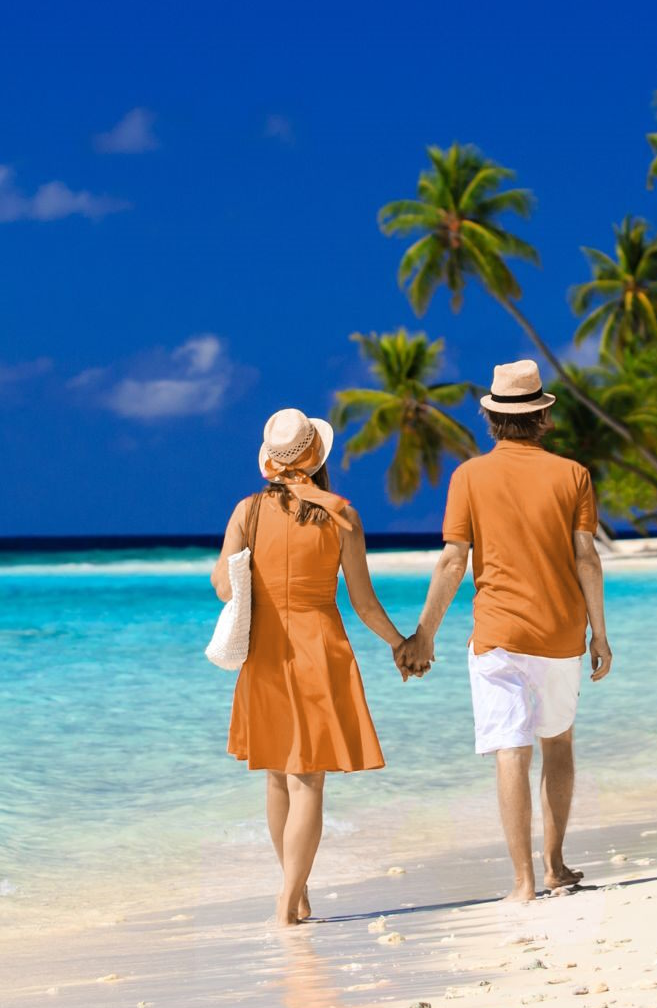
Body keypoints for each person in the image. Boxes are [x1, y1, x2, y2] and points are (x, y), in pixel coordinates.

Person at [396, 359, 612, 902]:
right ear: (542, 417)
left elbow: (452, 561)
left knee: (510, 752)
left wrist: (423, 635)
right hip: (562, 632)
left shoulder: (469, 476)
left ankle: (522, 884)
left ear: (491, 419)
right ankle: (555, 865)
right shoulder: (573, 475)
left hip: (497, 636)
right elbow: (587, 558)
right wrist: (600, 634)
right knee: (556, 742)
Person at [212, 407, 410, 927]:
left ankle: (294, 897)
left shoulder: (246, 512)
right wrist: (401, 643)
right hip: (319, 647)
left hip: (264, 652)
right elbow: (363, 603)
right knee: (308, 782)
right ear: (318, 457)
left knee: (278, 777)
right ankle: (288, 903)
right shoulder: (341, 513)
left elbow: (223, 586)